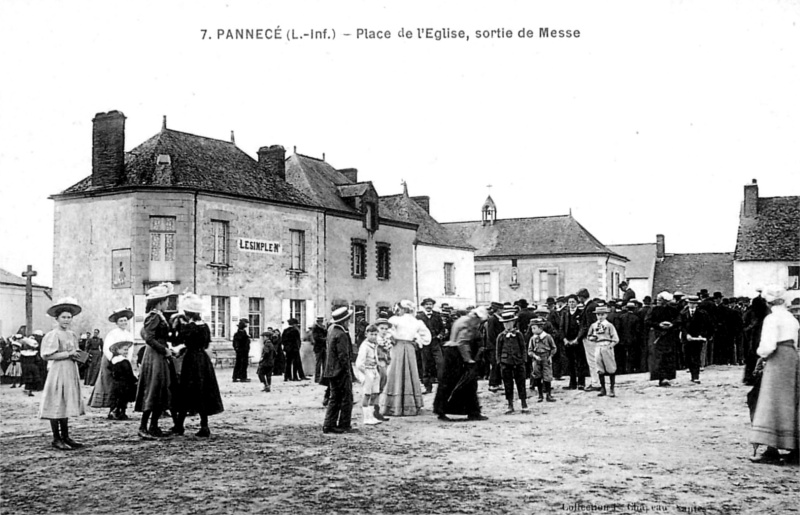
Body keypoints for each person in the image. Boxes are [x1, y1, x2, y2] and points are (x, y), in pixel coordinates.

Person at [749, 287, 800, 465]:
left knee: (771, 401)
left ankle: (772, 448)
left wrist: (761, 355)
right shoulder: (791, 318)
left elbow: (768, 346)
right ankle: (793, 447)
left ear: (768, 302)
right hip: (791, 358)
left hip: (777, 358)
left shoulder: (772, 319)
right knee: (790, 401)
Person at [172, 293, 224, 438]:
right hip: (203, 359)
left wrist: (177, 327)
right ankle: (204, 425)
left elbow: (177, 341)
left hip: (191, 360)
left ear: (187, 313)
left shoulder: (188, 327)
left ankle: (179, 426)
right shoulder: (205, 326)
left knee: (186, 391)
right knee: (202, 391)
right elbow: (206, 343)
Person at [39, 298, 86, 450]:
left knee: (65, 401)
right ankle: (56, 438)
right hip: (58, 370)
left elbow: (74, 352)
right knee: (56, 401)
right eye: (63, 317)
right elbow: (46, 355)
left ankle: (66, 436)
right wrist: (68, 353)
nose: (66, 320)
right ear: (57, 318)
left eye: (69, 317)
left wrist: (81, 356)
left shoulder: (72, 334)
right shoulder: (53, 334)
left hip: (70, 370)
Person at [135, 282, 180, 439]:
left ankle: (153, 425)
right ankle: (143, 427)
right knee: (153, 388)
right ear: (159, 302)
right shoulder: (154, 316)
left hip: (159, 355)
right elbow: (149, 338)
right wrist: (164, 350)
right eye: (166, 300)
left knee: (161, 389)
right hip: (154, 356)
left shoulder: (159, 316)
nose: (168, 303)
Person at [434, 306, 490, 421]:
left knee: (447, 383)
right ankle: (472, 412)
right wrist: (469, 360)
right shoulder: (469, 323)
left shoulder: (462, 319)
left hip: (451, 354)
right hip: (457, 356)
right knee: (467, 383)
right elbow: (463, 342)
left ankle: (442, 410)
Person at [383, 300, 432, 416]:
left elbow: (385, 332)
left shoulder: (395, 320)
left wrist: (390, 339)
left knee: (395, 373)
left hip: (397, 348)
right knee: (409, 374)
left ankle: (393, 404)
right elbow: (427, 337)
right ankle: (410, 405)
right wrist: (417, 340)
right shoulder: (417, 322)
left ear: (403, 309)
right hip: (410, 348)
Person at [89, 308, 135, 420]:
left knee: (125, 387)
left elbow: (131, 349)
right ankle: (113, 410)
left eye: (125, 320)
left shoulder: (129, 334)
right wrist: (114, 360)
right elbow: (106, 348)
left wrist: (126, 360)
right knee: (113, 387)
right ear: (116, 323)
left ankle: (122, 410)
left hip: (124, 362)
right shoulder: (112, 334)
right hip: (112, 362)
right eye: (121, 321)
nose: (124, 323)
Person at [322, 306, 355, 434]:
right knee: (346, 398)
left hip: (331, 370)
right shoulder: (342, 334)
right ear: (345, 321)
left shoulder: (332, 331)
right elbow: (343, 356)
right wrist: (348, 371)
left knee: (334, 398)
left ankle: (328, 424)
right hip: (340, 371)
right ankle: (343, 424)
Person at [496, 308, 528, 414]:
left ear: (513, 323)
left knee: (521, 383)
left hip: (518, 362)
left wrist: (523, 360)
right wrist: (499, 362)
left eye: (509, 323)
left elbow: (523, 348)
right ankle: (510, 405)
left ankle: (524, 404)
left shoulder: (518, 335)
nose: (507, 325)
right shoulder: (501, 336)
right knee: (508, 384)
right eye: (505, 323)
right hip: (505, 363)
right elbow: (498, 350)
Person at [646, 292, 681, 387]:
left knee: (669, 357)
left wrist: (671, 325)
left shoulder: (673, 310)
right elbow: (647, 321)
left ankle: (667, 377)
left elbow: (679, 320)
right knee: (658, 358)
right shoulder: (653, 310)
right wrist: (658, 325)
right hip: (657, 336)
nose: (658, 302)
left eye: (660, 300)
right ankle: (660, 378)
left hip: (669, 336)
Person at [679, 296, 714, 384]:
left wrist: (702, 335)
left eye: (694, 303)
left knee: (696, 357)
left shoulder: (702, 313)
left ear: (697, 304)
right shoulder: (683, 313)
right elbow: (681, 326)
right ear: (688, 304)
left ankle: (695, 376)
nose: (692, 305)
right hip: (687, 338)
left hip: (697, 339)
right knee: (687, 356)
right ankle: (691, 372)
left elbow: (707, 325)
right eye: (690, 303)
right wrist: (686, 334)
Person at [586, 306, 619, 397]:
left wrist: (610, 346)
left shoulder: (609, 325)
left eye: (602, 315)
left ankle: (611, 388)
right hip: (597, 346)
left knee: (610, 367)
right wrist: (592, 338)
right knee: (599, 368)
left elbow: (615, 338)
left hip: (606, 345)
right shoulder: (594, 325)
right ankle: (603, 388)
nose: (600, 317)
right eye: (598, 315)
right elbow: (589, 336)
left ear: (606, 315)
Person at [355, 325, 384, 426]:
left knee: (375, 393)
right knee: (367, 394)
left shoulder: (375, 344)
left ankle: (372, 416)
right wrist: (365, 374)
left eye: (375, 334)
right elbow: (359, 363)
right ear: (366, 334)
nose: (373, 336)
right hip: (367, 371)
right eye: (371, 334)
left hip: (374, 370)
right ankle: (366, 417)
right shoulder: (364, 346)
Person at [417, 298, 445, 395]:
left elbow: (442, 328)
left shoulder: (437, 315)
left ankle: (442, 385)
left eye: (430, 304)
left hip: (435, 342)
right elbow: (416, 330)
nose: (429, 306)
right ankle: (427, 386)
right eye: (427, 304)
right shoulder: (419, 316)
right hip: (424, 344)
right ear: (423, 305)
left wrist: (440, 335)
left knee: (441, 362)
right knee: (426, 364)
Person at [560, 295, 587, 390]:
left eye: (573, 302)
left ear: (577, 302)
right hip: (568, 340)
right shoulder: (565, 313)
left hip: (578, 341)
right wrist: (564, 339)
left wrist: (577, 339)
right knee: (570, 362)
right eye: (570, 302)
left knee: (580, 362)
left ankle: (581, 383)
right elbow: (561, 328)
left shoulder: (581, 313)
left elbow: (583, 327)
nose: (571, 304)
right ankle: (572, 383)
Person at [529, 318, 557, 402]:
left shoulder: (547, 337)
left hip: (546, 357)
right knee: (537, 376)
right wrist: (534, 356)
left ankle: (548, 394)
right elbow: (530, 350)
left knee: (547, 376)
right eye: (532, 328)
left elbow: (554, 348)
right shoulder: (533, 339)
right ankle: (540, 395)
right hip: (536, 358)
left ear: (540, 328)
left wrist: (550, 356)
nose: (532, 330)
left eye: (534, 328)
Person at [108, 341, 137, 421]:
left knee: (116, 398)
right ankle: (120, 413)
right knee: (123, 398)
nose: (126, 352)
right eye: (125, 350)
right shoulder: (124, 361)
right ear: (118, 350)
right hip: (124, 383)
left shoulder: (113, 360)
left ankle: (113, 411)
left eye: (127, 350)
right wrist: (135, 380)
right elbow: (129, 374)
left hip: (115, 383)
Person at [312, 317, 328, 384]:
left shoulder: (323, 328)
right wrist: (324, 339)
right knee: (318, 363)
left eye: (321, 321)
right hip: (318, 348)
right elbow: (316, 338)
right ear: (317, 322)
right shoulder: (315, 329)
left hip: (323, 347)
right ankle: (317, 378)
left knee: (324, 363)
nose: (321, 322)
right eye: (320, 321)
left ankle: (324, 378)